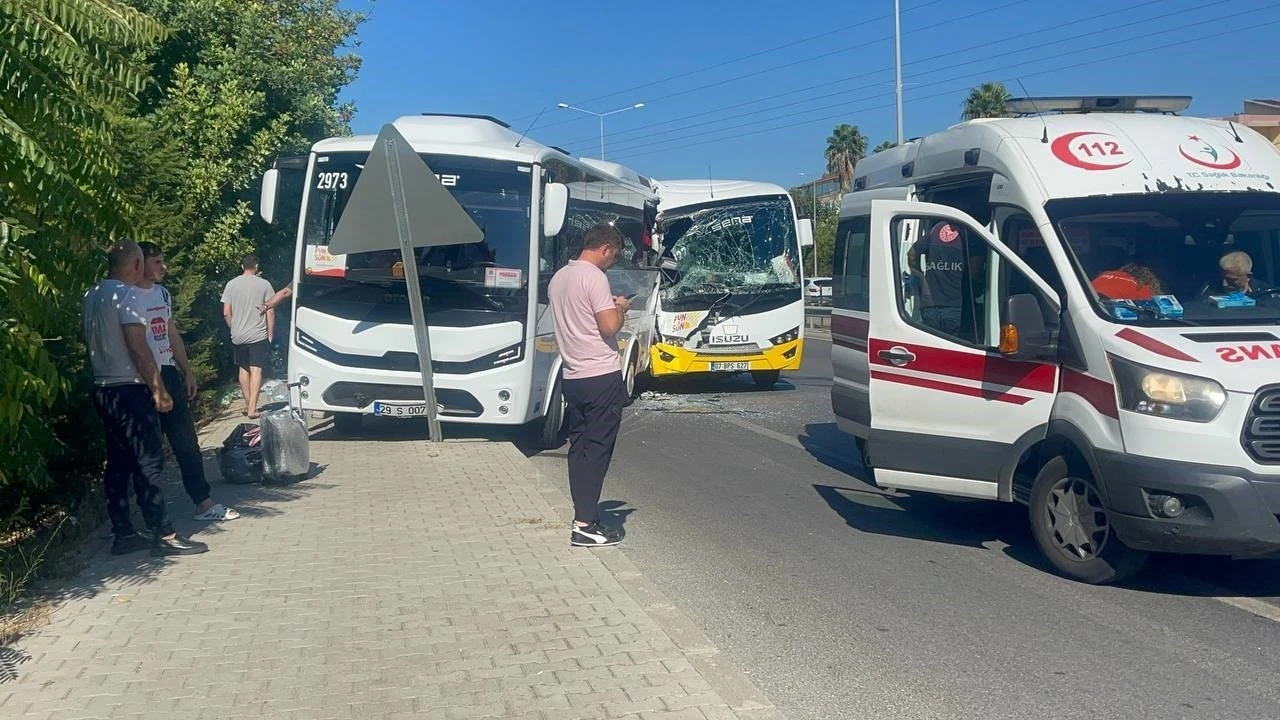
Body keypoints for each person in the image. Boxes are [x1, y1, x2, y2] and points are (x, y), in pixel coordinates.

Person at [83, 240, 208, 556]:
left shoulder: (92, 295)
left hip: (104, 388)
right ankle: (163, 534)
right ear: (137, 265)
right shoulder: (127, 296)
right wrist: (158, 389)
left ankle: (123, 533)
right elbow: (138, 347)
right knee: (148, 460)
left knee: (118, 463)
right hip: (130, 389)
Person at [136, 242, 240, 522]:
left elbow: (171, 333)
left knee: (187, 443)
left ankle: (203, 503)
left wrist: (187, 370)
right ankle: (152, 518)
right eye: (156, 262)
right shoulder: (127, 297)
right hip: (142, 379)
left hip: (168, 372)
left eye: (163, 261)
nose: (163, 267)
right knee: (149, 451)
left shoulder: (162, 294)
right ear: (140, 263)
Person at [547, 224, 632, 548]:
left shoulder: (559, 278)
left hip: (573, 375)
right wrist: (620, 307)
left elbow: (580, 318)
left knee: (579, 448)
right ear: (606, 248)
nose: (613, 262)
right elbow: (608, 326)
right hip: (600, 376)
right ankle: (584, 525)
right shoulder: (594, 277)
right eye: (615, 256)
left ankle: (584, 514)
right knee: (597, 450)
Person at [220, 254, 276, 418]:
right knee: (256, 369)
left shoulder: (231, 285)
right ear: (256, 266)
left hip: (238, 335)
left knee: (243, 368)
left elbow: (226, 312)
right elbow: (270, 311)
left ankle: (247, 405)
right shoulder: (264, 284)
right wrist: (270, 334)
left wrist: (233, 328)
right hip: (258, 334)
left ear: (242, 266)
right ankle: (252, 409)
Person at [907, 221, 968, 336]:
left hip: (930, 303)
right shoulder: (965, 231)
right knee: (951, 344)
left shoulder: (935, 230)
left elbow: (911, 254)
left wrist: (920, 276)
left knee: (931, 342)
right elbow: (974, 268)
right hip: (954, 305)